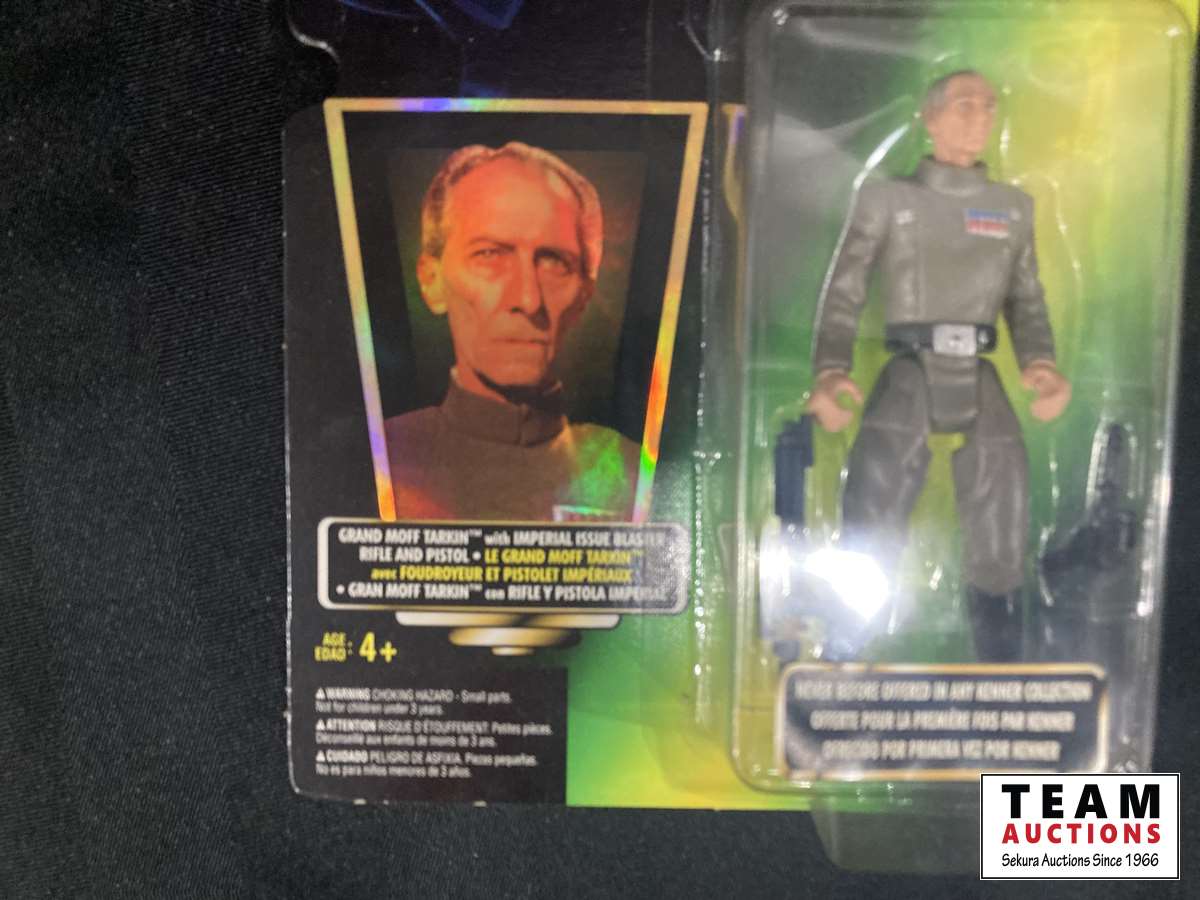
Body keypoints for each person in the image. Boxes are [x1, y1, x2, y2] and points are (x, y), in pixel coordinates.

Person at [806, 70, 1071, 661]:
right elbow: (845, 290)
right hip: (910, 368)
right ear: (930, 118)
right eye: (964, 105)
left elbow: (1027, 299)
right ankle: (847, 643)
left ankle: (1001, 650)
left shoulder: (1012, 208)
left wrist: (1041, 362)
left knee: (1003, 497)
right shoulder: (888, 199)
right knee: (876, 496)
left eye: (989, 106)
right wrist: (829, 370)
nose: (979, 118)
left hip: (978, 369)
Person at [386, 142, 641, 521]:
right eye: (489, 255)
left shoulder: (635, 474)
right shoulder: (381, 459)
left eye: (554, 262)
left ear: (584, 296)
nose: (527, 299)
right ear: (432, 280)